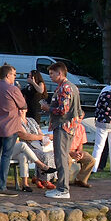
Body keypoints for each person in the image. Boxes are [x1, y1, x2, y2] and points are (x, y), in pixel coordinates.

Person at [0, 65, 28, 196]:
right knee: (6, 156)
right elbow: (23, 105)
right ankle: (2, 186)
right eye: (14, 75)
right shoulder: (12, 89)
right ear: (8, 75)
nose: (15, 77)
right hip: (10, 126)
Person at [45, 61, 77, 200]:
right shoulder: (73, 87)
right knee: (61, 156)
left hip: (63, 126)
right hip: (69, 126)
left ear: (60, 73)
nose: (50, 77)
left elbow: (63, 110)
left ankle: (63, 189)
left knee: (61, 157)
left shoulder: (65, 88)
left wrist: (48, 108)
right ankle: (61, 187)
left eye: (52, 74)